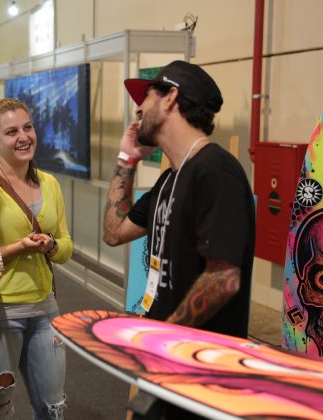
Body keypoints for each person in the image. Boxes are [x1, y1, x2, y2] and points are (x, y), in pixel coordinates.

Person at [102, 60, 255, 418]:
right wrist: (127, 159)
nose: (138, 109)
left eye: (147, 96)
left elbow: (223, 278)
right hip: (163, 359)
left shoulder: (216, 170)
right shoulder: (172, 177)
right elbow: (113, 232)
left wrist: (162, 341)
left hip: (196, 372)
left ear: (171, 98)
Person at [0, 98, 72, 419]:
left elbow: (66, 246)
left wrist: (50, 246)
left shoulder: (49, 184)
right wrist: (16, 249)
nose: (23, 137)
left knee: (54, 408)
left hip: (45, 309)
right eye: (11, 132)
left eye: (28, 127)